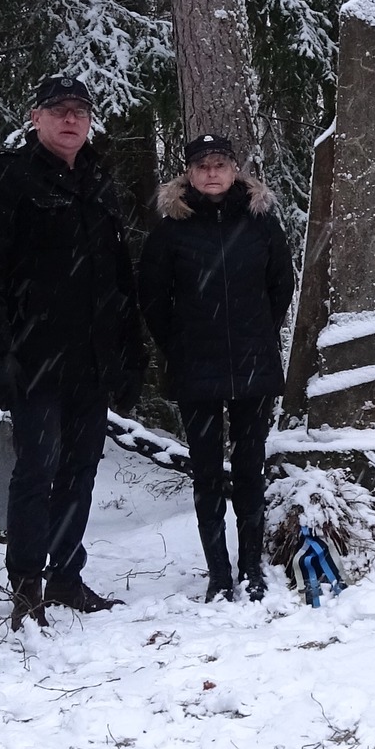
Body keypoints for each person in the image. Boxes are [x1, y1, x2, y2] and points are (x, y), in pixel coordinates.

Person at [0, 74, 145, 627]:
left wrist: (129, 351)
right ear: (35, 117)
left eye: (80, 112)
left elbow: (118, 276)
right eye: (59, 110)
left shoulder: (98, 179)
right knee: (37, 471)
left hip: (91, 357)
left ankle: (66, 575)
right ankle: (27, 587)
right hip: (34, 355)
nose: (70, 120)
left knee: (80, 469)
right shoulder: (8, 177)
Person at [138, 135, 295, 602]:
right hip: (196, 368)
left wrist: (256, 334)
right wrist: (180, 344)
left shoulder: (261, 224)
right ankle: (219, 574)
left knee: (250, 468)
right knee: (206, 474)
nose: (211, 173)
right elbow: (153, 297)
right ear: (188, 173)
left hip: (253, 365)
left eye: (220, 164)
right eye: (202, 165)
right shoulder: (171, 229)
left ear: (234, 170)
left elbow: (280, 286)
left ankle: (251, 568)